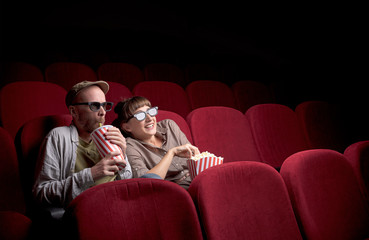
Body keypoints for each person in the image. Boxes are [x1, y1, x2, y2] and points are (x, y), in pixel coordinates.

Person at [33, 81, 134, 209]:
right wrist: (91, 174)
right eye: (94, 106)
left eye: (104, 105)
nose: (103, 112)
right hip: (87, 209)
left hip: (118, 203)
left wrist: (123, 155)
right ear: (74, 111)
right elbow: (42, 193)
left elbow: (126, 182)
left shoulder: (111, 135)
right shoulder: (58, 136)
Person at [112, 96, 200, 189]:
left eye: (150, 111)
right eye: (140, 116)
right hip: (176, 190)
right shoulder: (130, 146)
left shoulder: (169, 126)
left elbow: (195, 157)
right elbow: (147, 182)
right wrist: (171, 153)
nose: (150, 118)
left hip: (197, 178)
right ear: (127, 127)